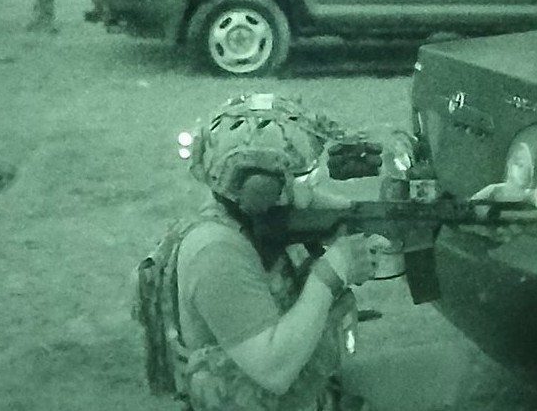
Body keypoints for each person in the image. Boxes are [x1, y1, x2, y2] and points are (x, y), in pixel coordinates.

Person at [133, 93, 381, 411]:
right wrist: (330, 274)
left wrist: (364, 216)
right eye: (295, 177)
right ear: (260, 189)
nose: (306, 187)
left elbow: (318, 205)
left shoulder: (249, 218)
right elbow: (274, 371)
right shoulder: (216, 254)